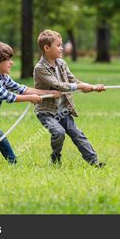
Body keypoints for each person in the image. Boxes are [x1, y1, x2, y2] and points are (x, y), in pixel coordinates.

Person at [33, 30, 106, 168]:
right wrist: (80, 86)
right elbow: (58, 85)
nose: (62, 48)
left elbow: (73, 81)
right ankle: (55, 156)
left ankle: (94, 162)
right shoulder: (40, 68)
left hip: (63, 110)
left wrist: (92, 87)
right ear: (47, 48)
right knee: (59, 132)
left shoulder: (62, 64)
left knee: (77, 134)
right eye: (58, 45)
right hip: (46, 111)